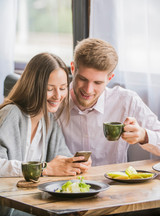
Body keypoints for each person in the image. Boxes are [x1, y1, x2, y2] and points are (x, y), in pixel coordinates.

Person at [58, 38, 160, 166]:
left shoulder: (126, 101)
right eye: (83, 79)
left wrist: (144, 136)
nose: (88, 90)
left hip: (115, 183)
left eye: (97, 82)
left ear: (109, 78)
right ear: (73, 69)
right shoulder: (55, 101)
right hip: (67, 183)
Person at [0, 52, 91, 177]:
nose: (58, 96)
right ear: (32, 86)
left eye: (63, 88)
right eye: (49, 89)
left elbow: (61, 157)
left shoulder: (49, 118)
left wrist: (75, 163)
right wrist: (43, 169)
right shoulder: (11, 114)